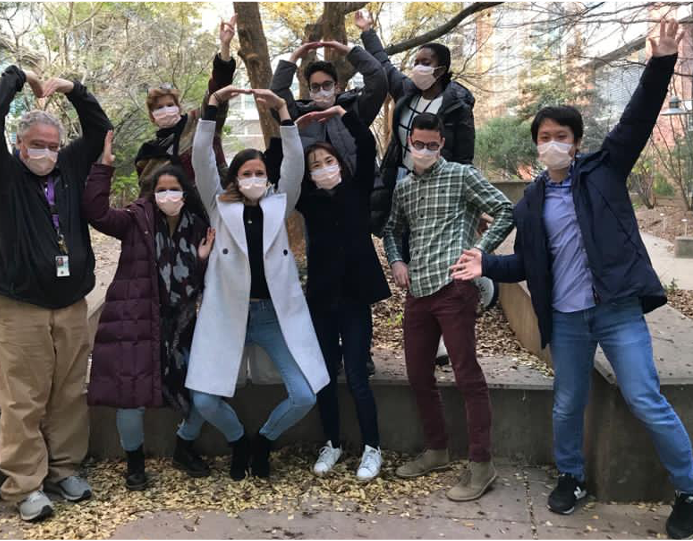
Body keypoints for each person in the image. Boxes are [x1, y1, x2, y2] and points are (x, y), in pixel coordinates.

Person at [451, 20, 693, 541]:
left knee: (644, 396)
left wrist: (660, 62)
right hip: (566, 318)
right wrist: (485, 264)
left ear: (575, 141)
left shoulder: (604, 171)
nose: (551, 145)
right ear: (535, 147)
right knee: (567, 401)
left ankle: (689, 488)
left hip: (616, 312)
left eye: (560, 137)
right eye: (543, 138)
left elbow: (637, 119)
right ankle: (571, 476)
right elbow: (525, 265)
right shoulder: (533, 202)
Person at [0, 67, 111, 521]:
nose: (47, 152)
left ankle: (64, 469)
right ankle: (25, 484)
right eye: (38, 144)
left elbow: (99, 129)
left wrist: (75, 88)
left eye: (53, 145)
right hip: (19, 305)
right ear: (20, 146)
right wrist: (19, 77)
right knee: (23, 397)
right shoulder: (3, 173)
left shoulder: (69, 167)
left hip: (70, 303)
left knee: (69, 392)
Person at [187, 87, 330, 482]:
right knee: (203, 398)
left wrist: (284, 112)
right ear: (234, 177)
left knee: (304, 394)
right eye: (246, 174)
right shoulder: (220, 206)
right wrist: (212, 108)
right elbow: (201, 159)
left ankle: (264, 441)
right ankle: (238, 441)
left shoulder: (279, 203)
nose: (253, 179)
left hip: (272, 317)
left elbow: (296, 165)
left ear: (268, 178)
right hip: (227, 313)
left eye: (259, 174)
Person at [384, 112, 514, 502]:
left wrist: (479, 252)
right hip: (417, 292)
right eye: (418, 144)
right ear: (409, 143)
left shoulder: (461, 175)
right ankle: (437, 450)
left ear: (442, 143)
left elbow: (506, 209)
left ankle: (481, 464)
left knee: (466, 376)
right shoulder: (404, 188)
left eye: (432, 144)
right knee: (418, 375)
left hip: (455, 288)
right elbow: (392, 229)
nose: (424, 151)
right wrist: (396, 261)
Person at [84, 132, 216, 491]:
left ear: (185, 192)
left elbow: (201, 281)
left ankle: (184, 446)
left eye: (175, 189)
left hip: (184, 324)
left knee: (206, 392)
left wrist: (202, 261)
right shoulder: (135, 220)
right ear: (152, 193)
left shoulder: (198, 226)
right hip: (138, 321)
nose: (169, 196)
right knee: (130, 399)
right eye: (162, 190)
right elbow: (96, 213)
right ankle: (135, 462)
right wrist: (103, 168)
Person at [356, 11, 479, 365]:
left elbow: (464, 156)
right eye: (416, 61)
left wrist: (469, 200)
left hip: (439, 188)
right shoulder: (408, 92)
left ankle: (444, 335)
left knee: (435, 253)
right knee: (407, 250)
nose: (418, 67)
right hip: (403, 183)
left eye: (426, 62)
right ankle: (423, 322)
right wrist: (368, 32)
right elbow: (383, 65)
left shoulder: (456, 104)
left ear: (441, 69)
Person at [294, 106, 391, 481]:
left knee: (356, 374)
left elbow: (366, 147)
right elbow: (279, 163)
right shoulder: (307, 200)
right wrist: (295, 128)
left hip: (353, 299)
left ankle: (372, 447)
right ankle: (331, 443)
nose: (322, 167)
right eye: (315, 164)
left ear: (339, 162)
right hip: (320, 300)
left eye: (328, 160)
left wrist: (346, 114)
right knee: (324, 374)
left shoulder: (358, 189)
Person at [135, 16, 238, 187]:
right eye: (159, 108)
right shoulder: (147, 154)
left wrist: (225, 46)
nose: (166, 110)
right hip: (176, 213)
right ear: (152, 117)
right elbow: (147, 194)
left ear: (178, 107)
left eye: (170, 105)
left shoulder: (198, 123)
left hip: (216, 205)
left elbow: (217, 92)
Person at [270, 38, 388, 175]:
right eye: (315, 86)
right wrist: (294, 57)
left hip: (361, 188)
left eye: (327, 85)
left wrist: (349, 51)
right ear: (309, 90)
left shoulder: (354, 110)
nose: (321, 90)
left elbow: (378, 79)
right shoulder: (300, 116)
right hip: (318, 191)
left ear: (336, 87)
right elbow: (277, 97)